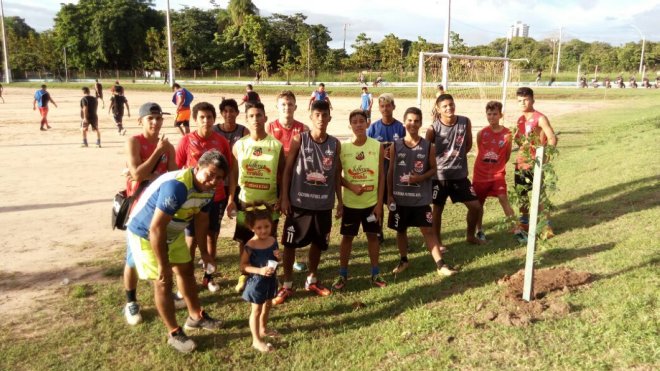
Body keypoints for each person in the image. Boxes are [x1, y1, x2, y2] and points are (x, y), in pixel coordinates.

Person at [126, 149, 228, 353]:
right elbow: (156, 228)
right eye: (210, 174)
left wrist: (205, 253)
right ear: (197, 167)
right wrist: (163, 264)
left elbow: (201, 221)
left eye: (219, 178)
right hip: (146, 234)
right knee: (163, 282)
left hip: (173, 231)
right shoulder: (177, 187)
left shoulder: (209, 189)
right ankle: (174, 333)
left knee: (186, 272)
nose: (213, 181)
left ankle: (195, 317)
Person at [272, 100, 342, 305]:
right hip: (299, 202)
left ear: (329, 117)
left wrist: (340, 200)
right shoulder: (299, 139)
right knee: (290, 243)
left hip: (323, 204)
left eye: (324, 115)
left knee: (318, 243)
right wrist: (284, 197)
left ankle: (312, 279)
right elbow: (287, 170)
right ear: (311, 117)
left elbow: (337, 174)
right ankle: (287, 284)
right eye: (317, 115)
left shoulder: (335, 144)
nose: (321, 119)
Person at [122, 102, 178, 325]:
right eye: (150, 118)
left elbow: (173, 175)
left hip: (161, 207)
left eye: (158, 118)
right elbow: (137, 174)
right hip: (138, 209)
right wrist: (157, 152)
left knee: (165, 252)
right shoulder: (134, 142)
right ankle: (131, 301)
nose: (155, 122)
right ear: (141, 121)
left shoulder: (169, 146)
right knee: (133, 258)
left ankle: (167, 292)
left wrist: (155, 174)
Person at [389, 107, 457, 276]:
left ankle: (441, 265)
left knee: (427, 230)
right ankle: (404, 260)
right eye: (410, 120)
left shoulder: (428, 147)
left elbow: (434, 169)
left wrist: (419, 178)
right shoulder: (395, 146)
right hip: (400, 197)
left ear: (420, 123)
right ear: (404, 122)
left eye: (416, 120)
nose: (413, 124)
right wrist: (389, 195)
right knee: (401, 230)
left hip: (420, 198)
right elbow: (390, 172)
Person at [226, 102, 284, 294]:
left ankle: (271, 273)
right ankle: (244, 272)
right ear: (246, 119)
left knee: (271, 239)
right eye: (251, 116)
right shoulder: (240, 145)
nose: (256, 119)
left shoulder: (276, 145)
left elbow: (282, 174)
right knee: (244, 239)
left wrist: (282, 197)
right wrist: (231, 199)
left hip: (269, 204)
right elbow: (233, 174)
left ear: (265, 118)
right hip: (246, 202)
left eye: (259, 115)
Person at [175, 102, 231, 293]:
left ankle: (208, 277)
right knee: (190, 240)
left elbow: (228, 169)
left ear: (214, 119)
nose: (206, 121)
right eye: (202, 117)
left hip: (216, 198)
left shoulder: (221, 142)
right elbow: (176, 168)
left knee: (211, 238)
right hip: (191, 200)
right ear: (195, 119)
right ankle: (187, 278)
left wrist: (230, 197)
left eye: (209, 117)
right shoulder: (186, 141)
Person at [333, 109, 386, 290]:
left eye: (361, 121)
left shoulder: (377, 146)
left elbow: (381, 177)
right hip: (350, 204)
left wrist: (379, 204)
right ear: (350, 125)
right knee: (347, 238)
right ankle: (342, 274)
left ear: (367, 123)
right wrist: (345, 194)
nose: (358, 125)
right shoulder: (343, 147)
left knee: (373, 237)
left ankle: (375, 272)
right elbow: (336, 176)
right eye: (354, 122)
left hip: (371, 204)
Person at [425, 94, 485, 249]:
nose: (449, 108)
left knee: (476, 207)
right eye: (444, 106)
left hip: (459, 176)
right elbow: (426, 153)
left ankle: (470, 236)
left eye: (451, 104)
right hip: (439, 177)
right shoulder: (433, 129)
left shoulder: (465, 122)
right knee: (437, 209)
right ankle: (438, 242)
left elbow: (468, 145)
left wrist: (455, 159)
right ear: (438, 109)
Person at [265, 90, 310, 272]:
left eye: (290, 104)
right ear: (277, 107)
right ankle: (272, 258)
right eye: (283, 104)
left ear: (295, 107)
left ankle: (293, 258)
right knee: (273, 224)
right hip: (274, 184)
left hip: (295, 184)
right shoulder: (270, 128)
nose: (287, 107)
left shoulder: (303, 129)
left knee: (293, 223)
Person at [472, 101, 526, 244]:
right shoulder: (481, 133)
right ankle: (479, 230)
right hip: (480, 175)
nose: (492, 117)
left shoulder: (507, 134)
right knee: (479, 204)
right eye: (489, 114)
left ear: (501, 115)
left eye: (495, 114)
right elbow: (479, 153)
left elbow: (507, 155)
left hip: (497, 175)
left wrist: (497, 166)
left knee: (503, 199)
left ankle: (517, 230)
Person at [514, 87, 557, 239]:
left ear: (533, 100)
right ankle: (525, 222)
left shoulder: (540, 118)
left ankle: (546, 226)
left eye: (526, 100)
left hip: (535, 163)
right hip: (521, 163)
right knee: (522, 194)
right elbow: (520, 141)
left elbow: (552, 138)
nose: (523, 103)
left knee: (539, 195)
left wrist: (546, 158)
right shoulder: (520, 119)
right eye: (519, 101)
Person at [240, 202, 281, 353]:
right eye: (259, 228)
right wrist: (259, 270)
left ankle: (263, 329)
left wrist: (278, 257)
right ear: (252, 228)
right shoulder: (250, 245)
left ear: (271, 225)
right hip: (256, 283)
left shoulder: (272, 240)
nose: (263, 230)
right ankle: (256, 340)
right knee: (256, 310)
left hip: (270, 280)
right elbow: (243, 266)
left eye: (266, 226)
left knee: (268, 305)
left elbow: (276, 259)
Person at [367, 93, 405, 243]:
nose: (385, 109)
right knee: (378, 203)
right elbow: (368, 149)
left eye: (388, 106)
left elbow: (405, 149)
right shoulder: (373, 128)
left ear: (393, 107)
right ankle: (378, 231)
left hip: (395, 174)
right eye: (382, 106)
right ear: (379, 108)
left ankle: (400, 232)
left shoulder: (400, 128)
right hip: (378, 173)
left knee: (395, 204)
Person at [213, 98, 250, 228]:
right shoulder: (214, 130)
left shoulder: (244, 131)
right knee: (216, 219)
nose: (229, 114)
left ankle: (242, 239)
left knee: (240, 218)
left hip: (238, 180)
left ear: (237, 113)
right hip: (219, 181)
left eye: (232, 111)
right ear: (222, 113)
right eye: (225, 111)